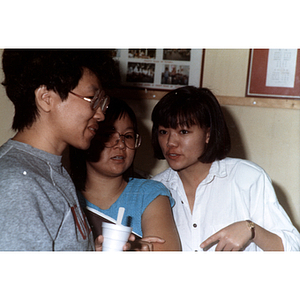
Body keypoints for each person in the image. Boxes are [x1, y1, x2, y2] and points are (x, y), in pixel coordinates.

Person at [151, 86, 300, 251]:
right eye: (163, 132)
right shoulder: (154, 188)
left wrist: (252, 230)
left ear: (208, 134)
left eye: (184, 131)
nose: (170, 142)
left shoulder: (247, 178)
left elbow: (293, 250)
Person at [0, 49, 122, 251]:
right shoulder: (16, 184)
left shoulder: (50, 169)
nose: (100, 115)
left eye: (103, 104)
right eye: (92, 99)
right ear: (46, 98)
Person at [69, 97, 181, 251]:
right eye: (108, 135)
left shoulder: (149, 193)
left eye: (128, 136)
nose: (121, 144)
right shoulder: (65, 195)